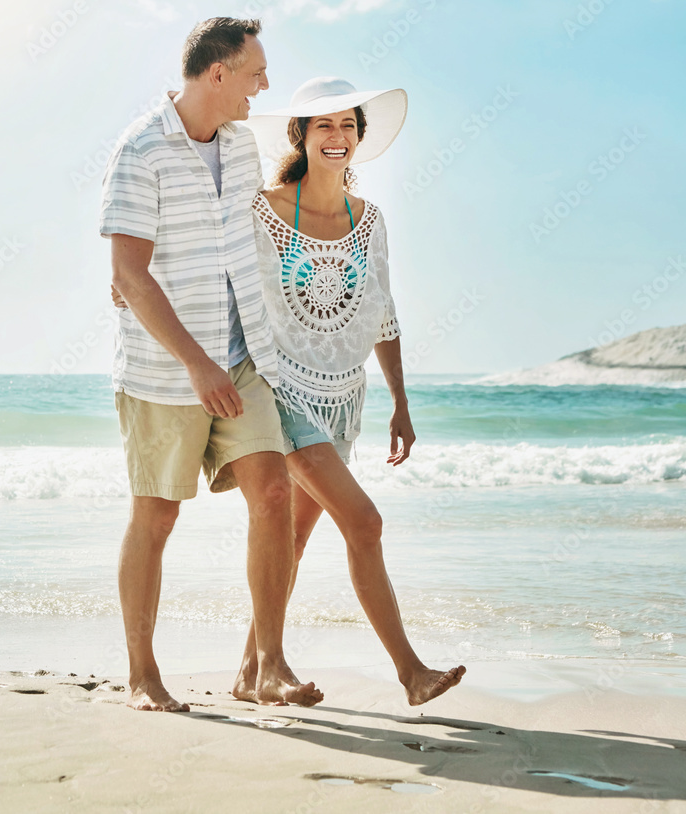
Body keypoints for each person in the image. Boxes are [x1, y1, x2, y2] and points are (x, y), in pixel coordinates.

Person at [99, 18, 322, 712]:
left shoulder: (241, 146)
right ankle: (142, 675)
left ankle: (268, 666)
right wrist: (197, 365)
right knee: (157, 517)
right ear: (217, 73)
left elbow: (252, 239)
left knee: (275, 495)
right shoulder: (140, 150)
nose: (264, 84)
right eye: (256, 72)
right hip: (165, 372)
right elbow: (131, 275)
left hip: (244, 357)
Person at [236, 77, 466, 705]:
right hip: (279, 390)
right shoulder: (264, 210)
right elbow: (224, 278)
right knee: (365, 522)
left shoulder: (370, 221)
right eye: (323, 127)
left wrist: (401, 399)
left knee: (296, 539)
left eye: (346, 126)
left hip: (343, 395)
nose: (336, 138)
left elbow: (381, 311)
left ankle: (246, 672)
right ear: (300, 136)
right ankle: (411, 672)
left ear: (359, 137)